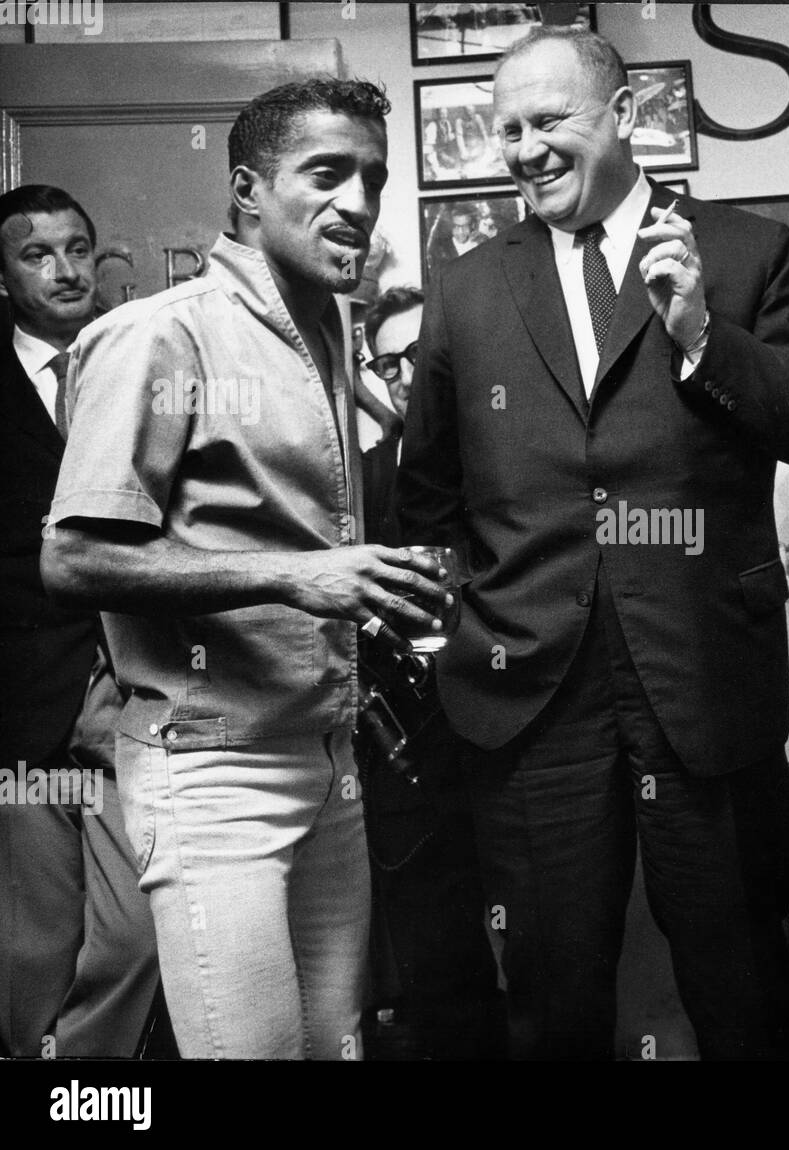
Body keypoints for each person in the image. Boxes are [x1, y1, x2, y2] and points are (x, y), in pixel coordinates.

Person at [399, 26, 789, 1061]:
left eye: (548, 120)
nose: (523, 148)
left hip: (704, 676)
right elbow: (426, 496)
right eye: (505, 128)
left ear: (624, 117)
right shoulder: (465, 285)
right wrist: (461, 632)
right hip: (528, 689)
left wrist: (701, 334)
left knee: (739, 978)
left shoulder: (744, 251)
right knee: (555, 993)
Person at [41, 79, 452, 1060]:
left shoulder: (332, 336)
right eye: (325, 173)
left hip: (327, 761)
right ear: (247, 190)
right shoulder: (160, 334)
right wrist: (297, 578)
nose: (357, 199)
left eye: (372, 177)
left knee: (333, 1046)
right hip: (211, 772)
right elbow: (74, 552)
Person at [0, 184, 159, 1058]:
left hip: (131, 695)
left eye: (77, 248)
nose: (64, 270)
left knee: (139, 931)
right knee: (31, 949)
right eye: (35, 253)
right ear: (3, 272)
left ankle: (83, 1074)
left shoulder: (139, 355)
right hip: (20, 709)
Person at [356, 286, 506, 1060]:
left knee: (555, 958)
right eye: (389, 362)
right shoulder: (363, 475)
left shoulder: (520, 457)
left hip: (518, 739)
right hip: (409, 753)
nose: (407, 374)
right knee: (439, 965)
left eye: (421, 354)